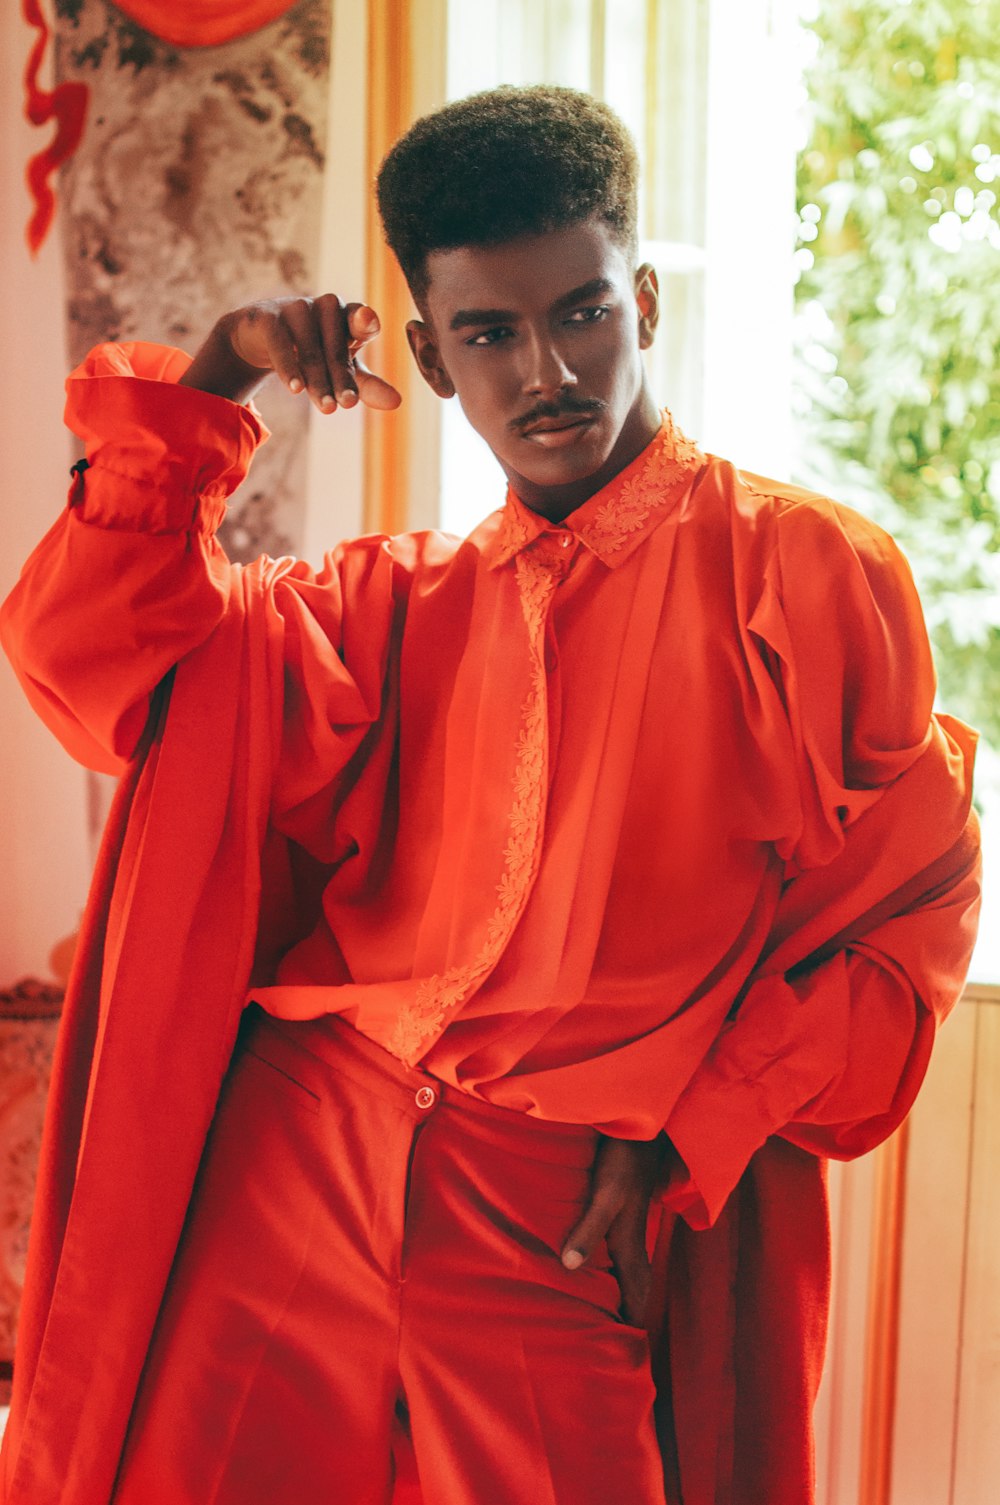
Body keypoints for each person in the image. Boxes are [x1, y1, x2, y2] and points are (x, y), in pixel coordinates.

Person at [0, 85, 981, 1505]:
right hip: (294, 1163)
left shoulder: (808, 575)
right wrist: (220, 370)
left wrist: (696, 1131)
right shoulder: (381, 609)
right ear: (432, 357)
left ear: (645, 299)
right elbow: (87, 655)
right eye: (490, 334)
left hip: (552, 1213)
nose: (548, 371)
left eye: (583, 311)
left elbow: (906, 926)